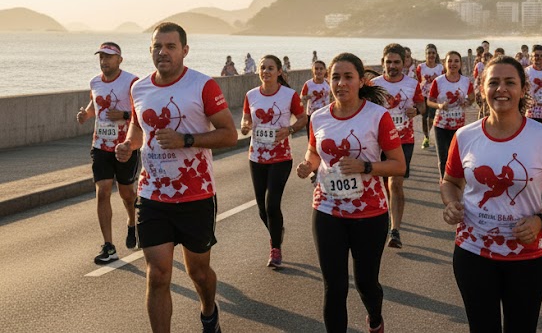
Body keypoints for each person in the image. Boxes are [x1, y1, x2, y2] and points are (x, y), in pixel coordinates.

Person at [114, 23, 237, 333]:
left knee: (198, 271)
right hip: (152, 195)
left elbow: (229, 134)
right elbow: (140, 128)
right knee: (157, 274)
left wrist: (187, 140)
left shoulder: (203, 85)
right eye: (157, 46)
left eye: (170, 46)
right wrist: (130, 144)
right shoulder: (139, 88)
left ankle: (209, 311)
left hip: (196, 194)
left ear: (185, 50)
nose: (163, 52)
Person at [441, 56, 542, 333]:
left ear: (523, 89)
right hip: (473, 251)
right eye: (494, 83)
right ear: (481, 89)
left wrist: (541, 219)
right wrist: (452, 203)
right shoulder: (464, 136)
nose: (501, 89)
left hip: (525, 255)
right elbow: (450, 181)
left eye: (510, 82)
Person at [297, 52, 406, 333]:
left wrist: (365, 166)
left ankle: (375, 318)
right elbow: (313, 151)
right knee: (334, 286)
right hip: (327, 209)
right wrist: (308, 165)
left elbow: (398, 164)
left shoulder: (377, 116)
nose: (341, 83)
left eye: (348, 77)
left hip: (369, 213)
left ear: (361, 81)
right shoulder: (319, 117)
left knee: (366, 283)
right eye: (335, 77)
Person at [239, 55, 307, 268]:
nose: (266, 71)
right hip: (256, 156)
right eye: (263, 68)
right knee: (261, 208)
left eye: (270, 68)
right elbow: (245, 118)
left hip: (281, 157)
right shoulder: (251, 95)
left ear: (279, 72)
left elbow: (303, 118)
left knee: (272, 204)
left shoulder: (289, 95)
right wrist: (245, 125)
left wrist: (289, 129)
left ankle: (275, 249)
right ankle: (277, 232)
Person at [77, 41, 139, 264]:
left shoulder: (132, 82)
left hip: (126, 147)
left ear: (119, 60)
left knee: (126, 194)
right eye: (101, 57)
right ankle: (109, 246)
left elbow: (140, 113)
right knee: (102, 191)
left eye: (109, 57)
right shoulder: (94, 81)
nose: (104, 61)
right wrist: (86, 114)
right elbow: (95, 105)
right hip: (100, 146)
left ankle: (132, 222)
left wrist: (123, 115)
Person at [371, 42, 424, 248]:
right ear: (382, 62)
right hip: (377, 142)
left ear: (404, 63)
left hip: (403, 141)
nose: (392, 66)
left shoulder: (412, 84)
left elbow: (421, 104)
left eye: (397, 62)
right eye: (389, 62)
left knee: (395, 183)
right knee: (381, 185)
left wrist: (416, 111)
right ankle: (381, 218)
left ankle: (395, 231)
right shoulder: (373, 85)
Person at [428, 51, 474, 178]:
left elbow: (472, 98)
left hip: (459, 126)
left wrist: (467, 102)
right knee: (443, 158)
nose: (452, 64)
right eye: (449, 61)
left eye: (456, 61)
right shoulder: (438, 81)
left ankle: (456, 184)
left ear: (460, 64)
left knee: (457, 157)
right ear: (444, 63)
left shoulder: (466, 81)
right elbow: (429, 101)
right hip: (441, 125)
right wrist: (439, 106)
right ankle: (444, 183)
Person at [416, 44, 445, 149]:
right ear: (425, 54)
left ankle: (432, 136)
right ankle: (426, 137)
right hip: (423, 96)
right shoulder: (421, 67)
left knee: (431, 118)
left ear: (436, 54)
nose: (431, 55)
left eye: (433, 53)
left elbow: (442, 82)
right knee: (424, 117)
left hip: (434, 97)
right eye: (429, 53)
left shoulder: (440, 68)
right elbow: (419, 81)